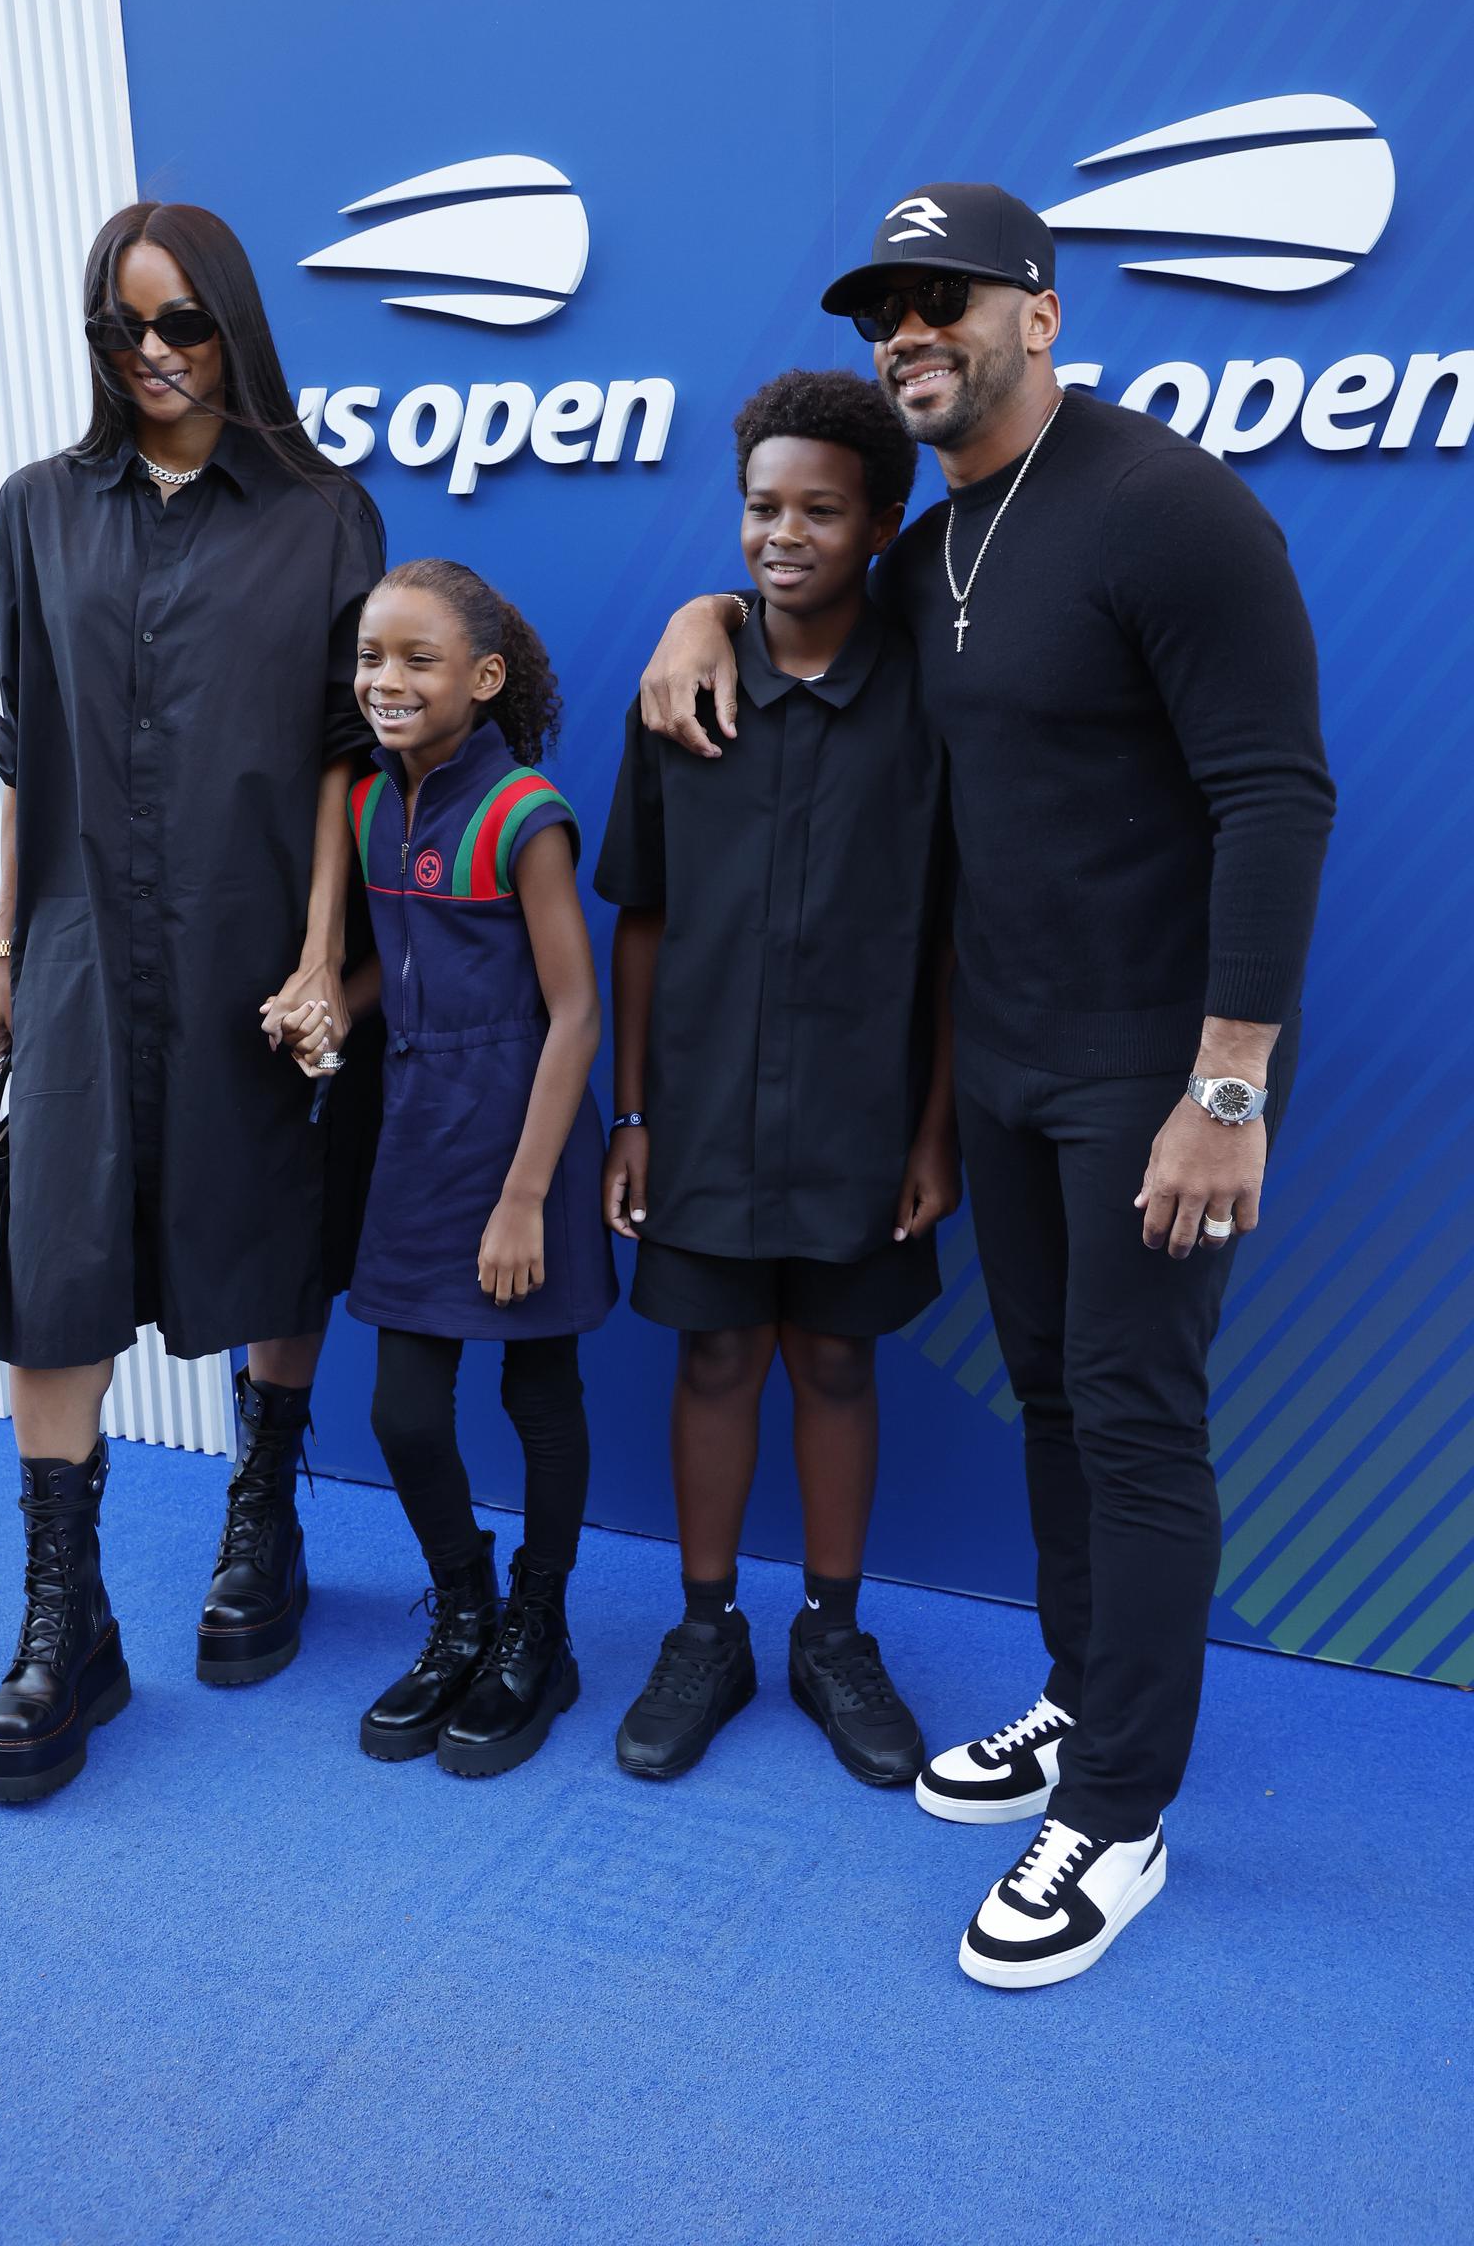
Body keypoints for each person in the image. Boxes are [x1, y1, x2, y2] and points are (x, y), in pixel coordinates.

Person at [636, 185, 1335, 1984]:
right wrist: (706, 608)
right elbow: (809, 598)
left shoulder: (1170, 507)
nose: (911, 334)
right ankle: (1085, 1691)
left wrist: (1230, 1087)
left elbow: (1276, 797)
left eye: (946, 299)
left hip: (1155, 1073)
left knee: (1132, 1411)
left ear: (1040, 309)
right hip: (1011, 1064)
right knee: (1047, 1396)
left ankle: (1116, 1813)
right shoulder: (938, 540)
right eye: (889, 313)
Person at [0, 201, 385, 1804]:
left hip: (251, 938)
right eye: (123, 328)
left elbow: (354, 756)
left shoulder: (324, 515)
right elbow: (23, 742)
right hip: (81, 939)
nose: (154, 355)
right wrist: (4, 954)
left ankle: (262, 1519)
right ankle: (63, 1621)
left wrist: (321, 959)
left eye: (185, 323)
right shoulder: (34, 511)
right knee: (56, 1251)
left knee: (270, 1209)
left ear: (238, 326)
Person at [595, 369, 957, 1790]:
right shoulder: (680, 687)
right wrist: (630, 1114)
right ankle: (705, 1632)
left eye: (819, 509)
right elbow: (646, 916)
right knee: (715, 1353)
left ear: (881, 524)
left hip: (867, 1114)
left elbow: (951, 939)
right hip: (698, 1112)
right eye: (760, 508)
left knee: (834, 1358)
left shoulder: (930, 702)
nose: (783, 534)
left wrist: (937, 1127)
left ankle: (832, 1631)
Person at [332, 559, 616, 1778]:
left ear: (484, 680)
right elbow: (385, 971)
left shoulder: (523, 815)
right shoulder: (363, 803)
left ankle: (538, 1633)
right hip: (415, 1130)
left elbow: (577, 1016)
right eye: (370, 659)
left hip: (523, 1138)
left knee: (536, 1394)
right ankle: (463, 1610)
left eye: (418, 660)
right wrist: (328, 1007)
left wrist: (521, 1201)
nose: (386, 681)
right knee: (403, 1407)